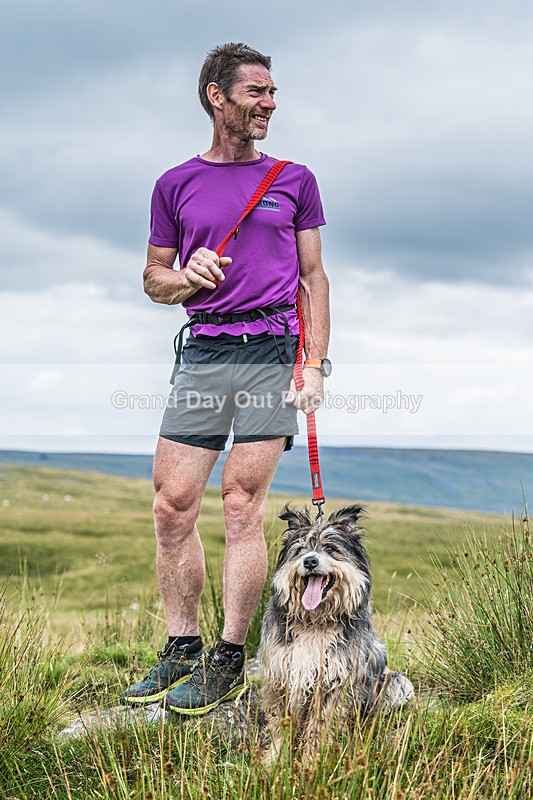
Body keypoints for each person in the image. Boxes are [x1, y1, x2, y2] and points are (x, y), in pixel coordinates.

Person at [121, 42, 331, 715]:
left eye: (273, 93)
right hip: (204, 353)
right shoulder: (174, 183)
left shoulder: (294, 179)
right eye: (257, 92)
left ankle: (228, 657)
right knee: (171, 505)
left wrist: (312, 361)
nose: (270, 103)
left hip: (272, 350)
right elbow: (154, 278)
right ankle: (181, 649)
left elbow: (311, 277)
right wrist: (186, 278)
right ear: (218, 97)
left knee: (241, 505)